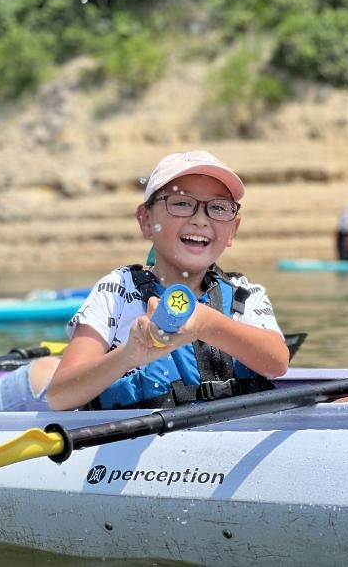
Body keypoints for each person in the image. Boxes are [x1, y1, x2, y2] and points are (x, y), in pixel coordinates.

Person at [46, 150, 290, 411]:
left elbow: (276, 363)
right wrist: (129, 355)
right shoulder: (115, 291)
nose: (200, 219)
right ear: (146, 220)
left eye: (218, 207)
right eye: (181, 203)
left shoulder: (245, 294)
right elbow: (60, 396)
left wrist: (205, 324)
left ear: (233, 230)